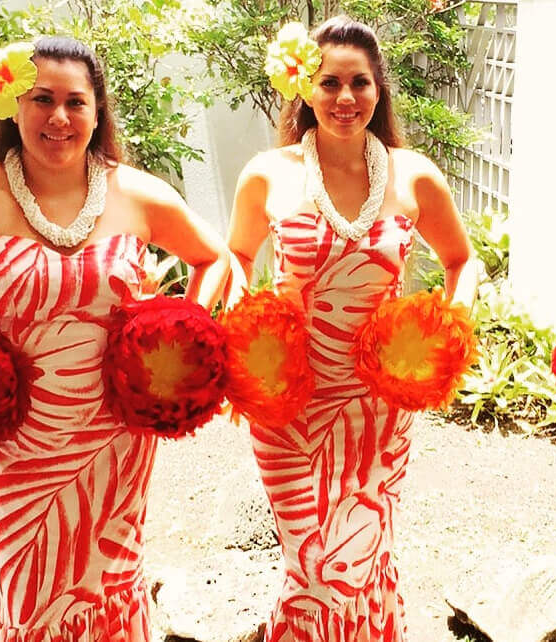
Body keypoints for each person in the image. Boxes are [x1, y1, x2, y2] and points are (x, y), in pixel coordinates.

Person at [0, 36, 229, 640]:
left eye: (75, 102)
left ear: (97, 112)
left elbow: (215, 260)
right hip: (13, 445)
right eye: (42, 99)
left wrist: (181, 341)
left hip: (115, 439)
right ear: (14, 108)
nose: (59, 117)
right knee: (29, 594)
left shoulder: (136, 192)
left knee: (111, 585)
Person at [226, 16, 475, 642]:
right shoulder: (268, 173)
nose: (344, 98)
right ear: (306, 88)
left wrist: (446, 330)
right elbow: (233, 257)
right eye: (329, 82)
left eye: (359, 83)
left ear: (378, 89)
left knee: (363, 555)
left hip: (377, 407)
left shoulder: (413, 174)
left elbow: (461, 260)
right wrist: (242, 326)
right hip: (288, 405)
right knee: (310, 563)